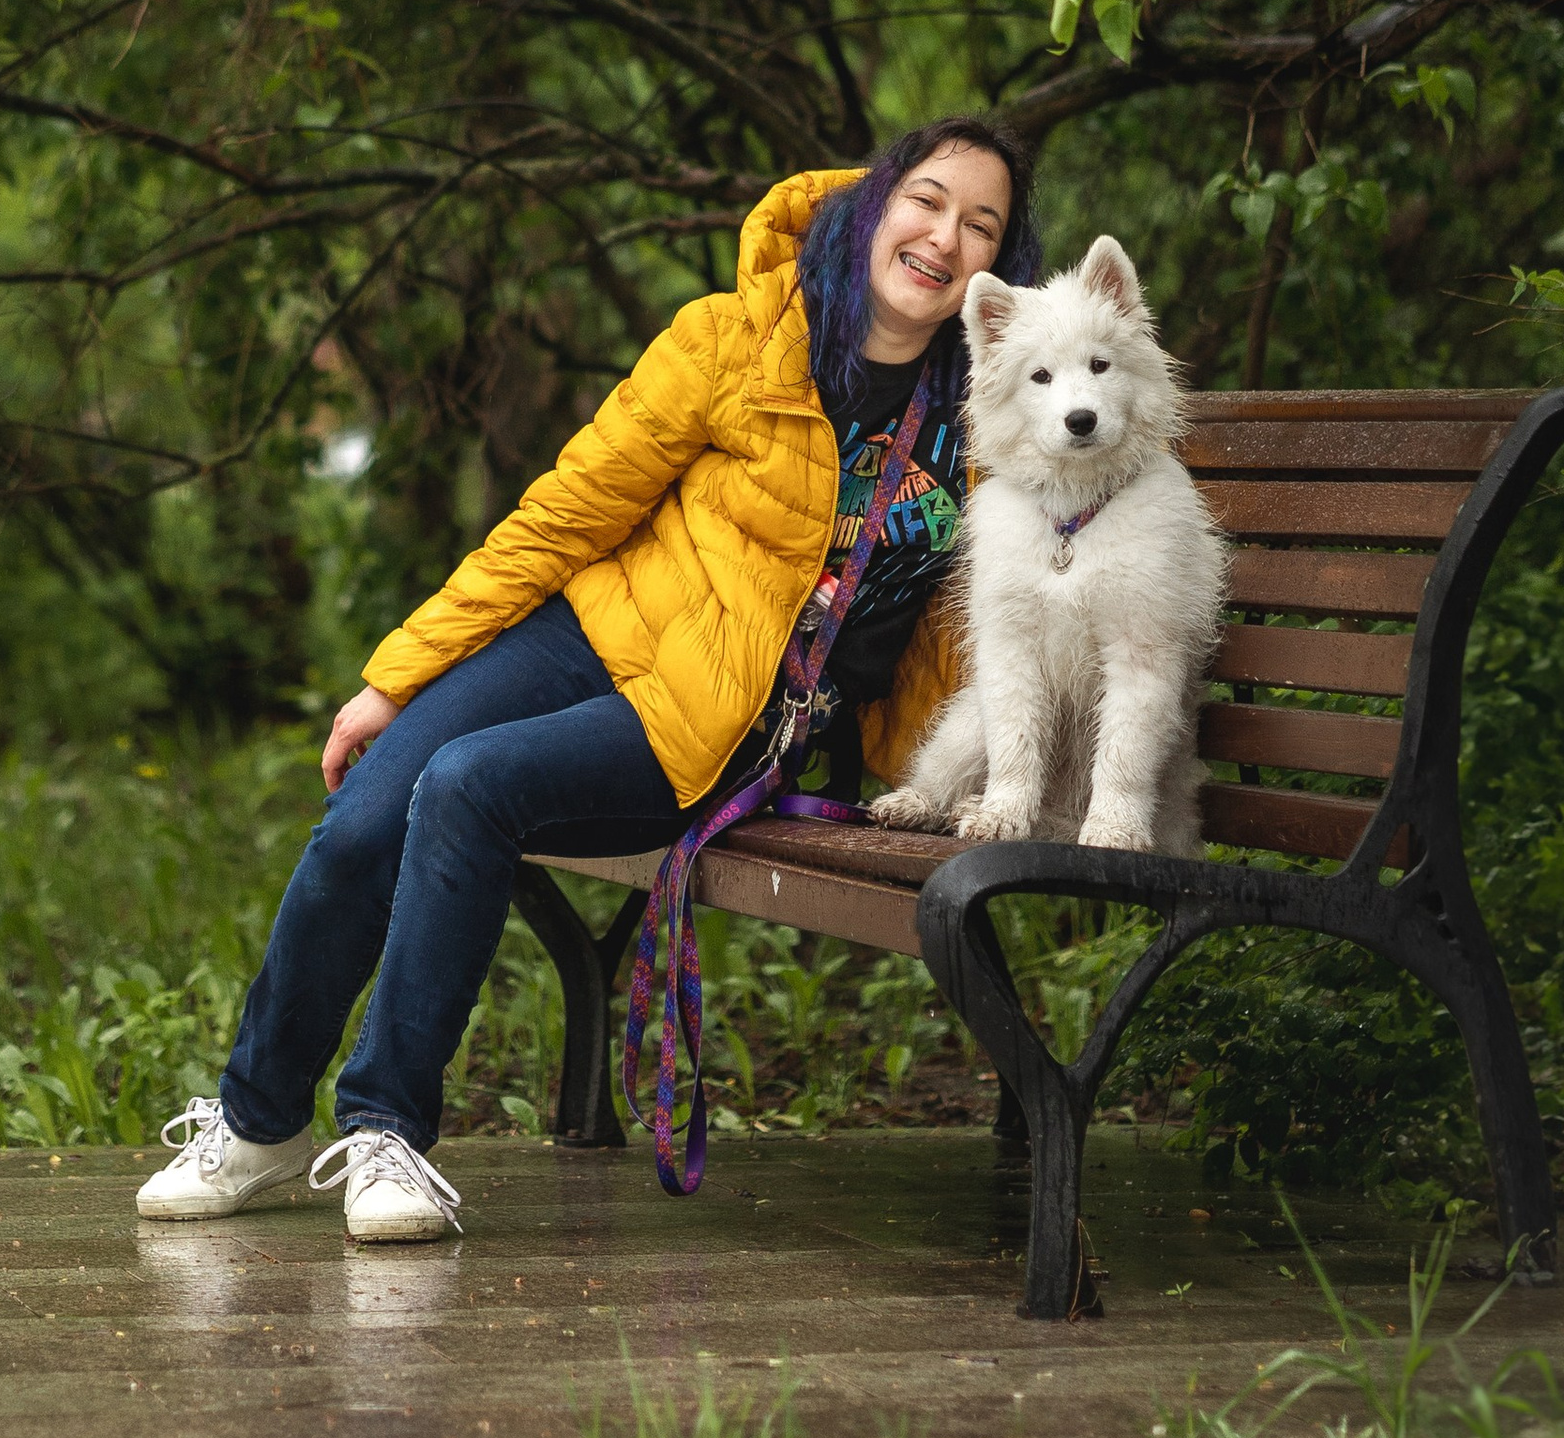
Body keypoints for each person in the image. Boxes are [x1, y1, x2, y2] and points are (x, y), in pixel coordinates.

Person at [136, 115, 1039, 1242]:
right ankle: (258, 1121)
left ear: (1000, 263)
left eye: (980, 224)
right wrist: (394, 678)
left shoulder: (995, 411)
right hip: (587, 631)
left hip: (722, 712)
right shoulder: (730, 341)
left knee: (469, 785)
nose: (944, 236)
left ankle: (387, 1134)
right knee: (364, 816)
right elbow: (565, 513)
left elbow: (1016, 600)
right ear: (871, 204)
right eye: (927, 200)